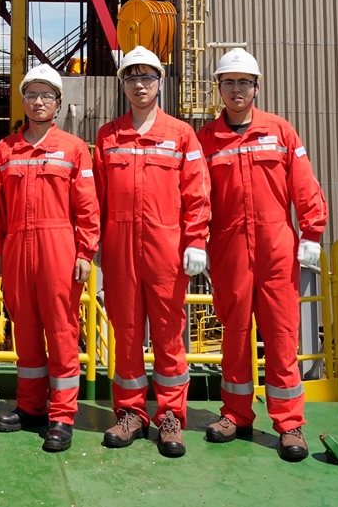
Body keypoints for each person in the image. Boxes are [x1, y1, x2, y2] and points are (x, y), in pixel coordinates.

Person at [197, 47, 326, 462]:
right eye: (228, 82)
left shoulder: (280, 131)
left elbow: (303, 182)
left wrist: (312, 231)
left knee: (281, 335)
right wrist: (197, 241)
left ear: (256, 87)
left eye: (244, 82)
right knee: (234, 334)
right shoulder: (206, 139)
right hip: (230, 248)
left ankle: (289, 424)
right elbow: (197, 197)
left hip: (276, 249)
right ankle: (235, 414)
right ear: (218, 88)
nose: (236, 89)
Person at [94, 45, 210, 459]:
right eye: (132, 77)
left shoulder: (181, 135)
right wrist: (94, 245)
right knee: (126, 333)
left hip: (166, 248)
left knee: (167, 333)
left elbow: (197, 192)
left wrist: (196, 241)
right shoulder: (108, 136)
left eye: (147, 77)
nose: (139, 84)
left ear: (160, 83)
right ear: (122, 84)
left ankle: (171, 416)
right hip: (120, 249)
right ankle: (130, 413)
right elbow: (96, 198)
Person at [0, 64, 99, 453]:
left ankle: (63, 415)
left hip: (59, 246)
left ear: (58, 102)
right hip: (17, 247)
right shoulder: (5, 150)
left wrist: (85, 251)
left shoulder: (73, 148)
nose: (39, 101)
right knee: (26, 330)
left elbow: (87, 205)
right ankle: (31, 407)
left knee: (62, 330)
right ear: (23, 100)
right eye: (32, 94)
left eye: (46, 95)